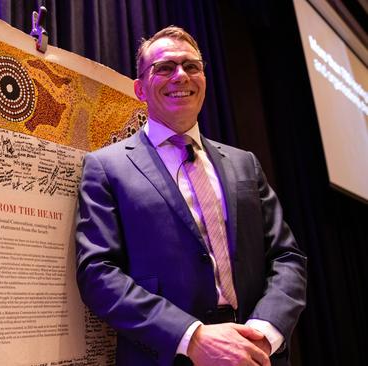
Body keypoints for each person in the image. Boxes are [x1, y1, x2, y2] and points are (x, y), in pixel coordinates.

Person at [75, 26, 307, 366]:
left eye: (191, 66)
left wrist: (263, 332)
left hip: (258, 354)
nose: (181, 76)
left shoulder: (245, 163)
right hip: (167, 356)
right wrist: (191, 336)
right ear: (140, 88)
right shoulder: (105, 167)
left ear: (204, 79)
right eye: (164, 68)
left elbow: (287, 256)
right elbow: (98, 272)